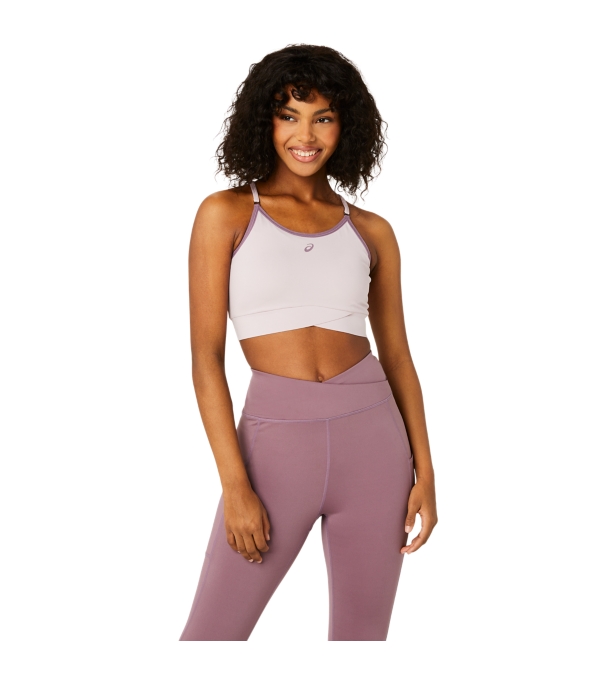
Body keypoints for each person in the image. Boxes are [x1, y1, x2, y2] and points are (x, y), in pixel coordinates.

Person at [179, 44, 437, 642]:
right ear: (263, 122)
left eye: (323, 117)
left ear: (346, 126)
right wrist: (235, 485)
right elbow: (205, 359)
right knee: (211, 637)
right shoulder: (226, 214)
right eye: (288, 115)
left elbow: (398, 357)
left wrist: (425, 471)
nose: (306, 135)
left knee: (361, 640)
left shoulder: (371, 230)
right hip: (274, 448)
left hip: (374, 444)